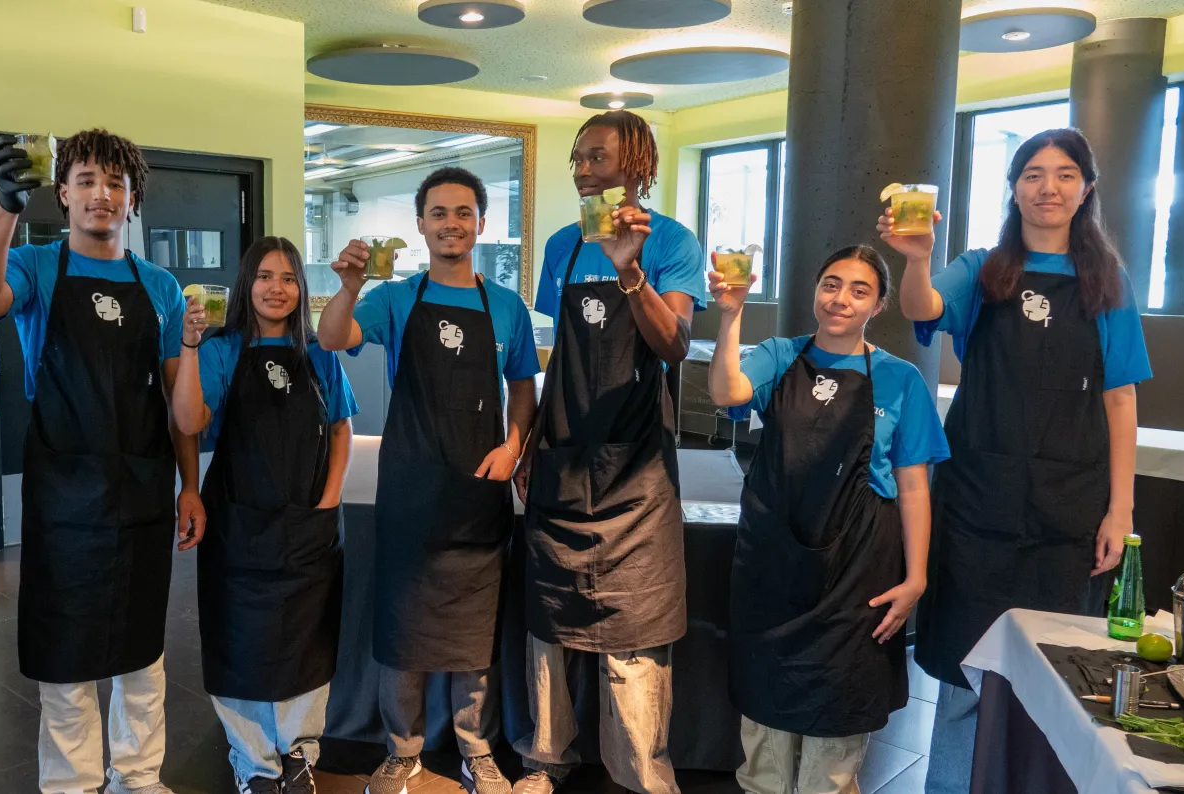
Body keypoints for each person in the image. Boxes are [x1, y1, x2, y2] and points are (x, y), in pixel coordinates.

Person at [887, 128, 1153, 793]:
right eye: (1033, 174)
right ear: (1013, 188)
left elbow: (1121, 400)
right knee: (964, 674)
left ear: (1087, 189)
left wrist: (1119, 511)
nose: (1048, 188)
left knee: (1056, 680)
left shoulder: (1108, 281)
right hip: (978, 500)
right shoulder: (983, 268)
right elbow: (925, 307)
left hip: (1069, 508)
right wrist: (918, 260)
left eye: (1065, 174)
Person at [0, 129, 200, 794]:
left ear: (133, 200)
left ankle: (139, 777)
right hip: (64, 491)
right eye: (87, 180)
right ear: (62, 193)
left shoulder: (160, 286)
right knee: (67, 652)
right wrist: (6, 209)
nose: (102, 194)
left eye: (116, 183)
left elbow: (179, 400)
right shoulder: (36, 267)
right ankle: (71, 784)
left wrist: (190, 486)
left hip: (144, 485)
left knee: (142, 648)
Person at [317, 166, 540, 794]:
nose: (451, 224)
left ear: (481, 224)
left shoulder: (505, 306)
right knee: (401, 627)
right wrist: (350, 284)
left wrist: (515, 446)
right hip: (411, 489)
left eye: (463, 212)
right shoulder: (394, 298)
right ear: (420, 225)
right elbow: (333, 337)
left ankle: (476, 750)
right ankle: (401, 748)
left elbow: (522, 389)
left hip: (478, 491)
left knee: (475, 633)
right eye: (438, 213)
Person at [511, 109, 706, 794]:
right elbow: (562, 351)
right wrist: (532, 441)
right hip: (564, 455)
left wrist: (631, 273)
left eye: (597, 157)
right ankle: (544, 759)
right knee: (550, 621)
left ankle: (642, 775)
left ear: (638, 163)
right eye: (578, 158)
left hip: (637, 465)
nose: (583, 170)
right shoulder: (563, 245)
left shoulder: (673, 242)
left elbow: (674, 344)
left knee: (635, 628)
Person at [708, 246, 947, 794]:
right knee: (765, 720)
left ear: (879, 304)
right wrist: (730, 313)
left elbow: (913, 487)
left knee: (835, 731)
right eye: (831, 284)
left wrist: (916, 578)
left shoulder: (900, 379)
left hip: (858, 572)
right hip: (773, 565)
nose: (841, 299)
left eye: (859, 290)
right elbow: (728, 393)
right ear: (816, 291)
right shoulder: (779, 354)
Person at [172, 237, 359, 794]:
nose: (276, 288)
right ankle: (252, 757)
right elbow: (187, 420)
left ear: (301, 289)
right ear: (245, 284)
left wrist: (328, 501)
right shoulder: (223, 349)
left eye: (288, 277)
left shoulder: (318, 349)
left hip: (307, 518)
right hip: (238, 520)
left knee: (307, 636)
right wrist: (188, 345)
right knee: (240, 639)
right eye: (264, 276)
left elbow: (341, 428)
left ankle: (300, 750)